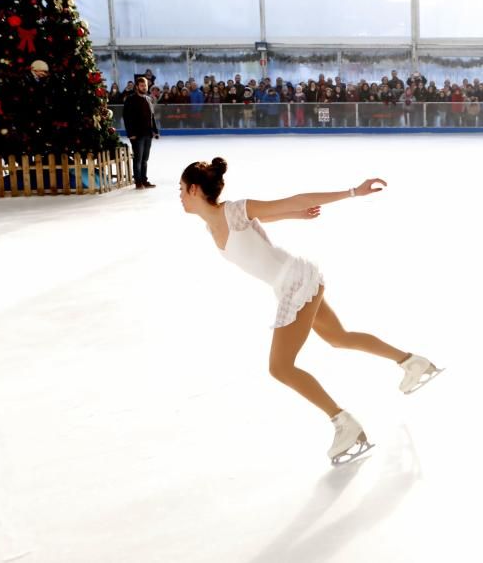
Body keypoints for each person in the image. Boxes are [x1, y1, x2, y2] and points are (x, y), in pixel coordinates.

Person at [179, 159, 442, 465]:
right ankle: (413, 363)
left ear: (195, 189)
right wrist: (295, 215)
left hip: (295, 282)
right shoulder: (213, 224)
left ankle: (344, 423)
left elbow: (291, 200)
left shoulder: (233, 211)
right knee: (339, 337)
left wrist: (352, 192)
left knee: (280, 367)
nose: (181, 196)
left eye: (182, 190)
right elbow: (271, 218)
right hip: (290, 283)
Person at [122, 76, 159, 189]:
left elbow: (152, 117)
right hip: (137, 135)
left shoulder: (148, 99)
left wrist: (155, 131)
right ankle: (138, 182)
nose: (144, 87)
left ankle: (144, 180)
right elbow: (126, 117)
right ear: (137, 86)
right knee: (138, 159)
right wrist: (130, 133)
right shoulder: (130, 99)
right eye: (142, 85)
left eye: (146, 85)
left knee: (145, 159)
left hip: (148, 134)